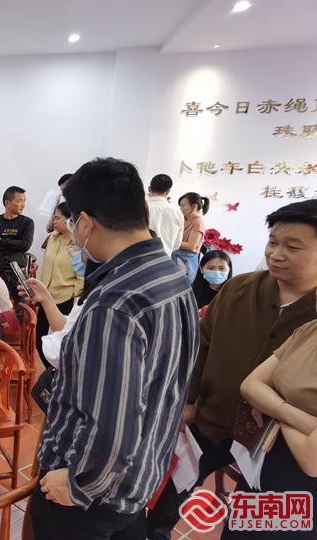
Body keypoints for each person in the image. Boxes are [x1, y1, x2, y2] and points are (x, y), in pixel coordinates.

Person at [29, 158, 198, 540]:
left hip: (87, 502)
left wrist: (79, 484)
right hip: (138, 481)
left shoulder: (114, 303)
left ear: (86, 223)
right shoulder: (172, 276)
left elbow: (111, 422)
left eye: (73, 222)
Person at [148, 199, 317, 539]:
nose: (276, 254)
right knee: (171, 495)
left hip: (273, 448)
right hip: (210, 421)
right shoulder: (239, 289)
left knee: (252, 521)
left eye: (292, 247)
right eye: (273, 242)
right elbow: (200, 347)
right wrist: (188, 401)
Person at [221, 319, 317, 539]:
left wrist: (273, 407)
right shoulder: (310, 329)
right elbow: (250, 385)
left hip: (303, 493)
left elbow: (312, 461)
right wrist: (293, 416)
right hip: (263, 461)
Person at [35, 202, 83, 367]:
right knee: (40, 341)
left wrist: (77, 301)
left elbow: (81, 276)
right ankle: (52, 374)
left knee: (60, 346)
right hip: (46, 297)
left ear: (69, 220)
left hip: (65, 299)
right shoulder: (52, 238)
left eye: (57, 218)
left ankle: (58, 374)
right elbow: (45, 266)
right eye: (53, 218)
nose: (53, 221)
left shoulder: (77, 244)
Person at [0, 186, 35, 298]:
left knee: (18, 300)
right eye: (19, 201)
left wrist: (1, 240)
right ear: (7, 203)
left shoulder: (27, 222)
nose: (23, 205)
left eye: (24, 201)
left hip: (17, 269)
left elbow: (25, 245)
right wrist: (15, 244)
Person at [172, 192, 209, 283]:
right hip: (179, 258)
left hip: (186, 261)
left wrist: (169, 241)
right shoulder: (186, 220)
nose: (180, 209)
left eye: (183, 206)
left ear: (194, 206)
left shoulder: (198, 222)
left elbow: (191, 246)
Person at [146, 174, 184, 257]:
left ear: (149, 188)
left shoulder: (141, 208)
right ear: (168, 191)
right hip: (165, 259)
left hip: (141, 258)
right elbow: (177, 244)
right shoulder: (177, 212)